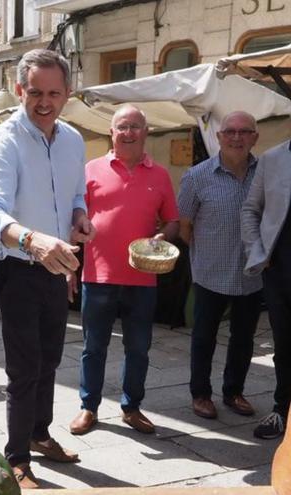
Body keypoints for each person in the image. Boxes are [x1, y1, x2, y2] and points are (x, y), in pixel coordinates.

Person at [0, 49, 94, 488]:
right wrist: (32, 239)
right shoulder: (3, 141)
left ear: (67, 94)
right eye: (36, 92)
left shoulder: (73, 140)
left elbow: (77, 193)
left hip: (56, 265)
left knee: (50, 359)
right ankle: (16, 456)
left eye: (54, 93)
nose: (44, 102)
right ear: (19, 90)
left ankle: (40, 433)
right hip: (15, 267)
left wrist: (79, 217)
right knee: (24, 367)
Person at [70, 105, 180, 437]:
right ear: (111, 133)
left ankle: (131, 407)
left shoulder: (159, 174)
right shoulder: (90, 169)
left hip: (142, 278)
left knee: (139, 347)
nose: (128, 132)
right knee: (93, 346)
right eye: (122, 127)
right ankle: (88, 407)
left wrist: (163, 237)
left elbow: (173, 221)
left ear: (146, 132)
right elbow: (74, 220)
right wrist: (70, 264)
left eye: (135, 126)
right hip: (98, 276)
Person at [179, 111, 263, 421]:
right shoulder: (197, 176)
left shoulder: (265, 172)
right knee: (204, 337)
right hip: (210, 273)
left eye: (244, 132)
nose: (237, 137)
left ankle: (234, 391)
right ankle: (200, 394)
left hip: (252, 273)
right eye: (230, 131)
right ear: (219, 137)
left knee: (243, 338)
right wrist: (204, 253)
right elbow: (185, 226)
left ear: (255, 137)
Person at [241, 133, 291, 440]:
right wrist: (259, 253)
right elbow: (250, 209)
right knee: (284, 347)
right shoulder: (272, 158)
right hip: (280, 272)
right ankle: (280, 409)